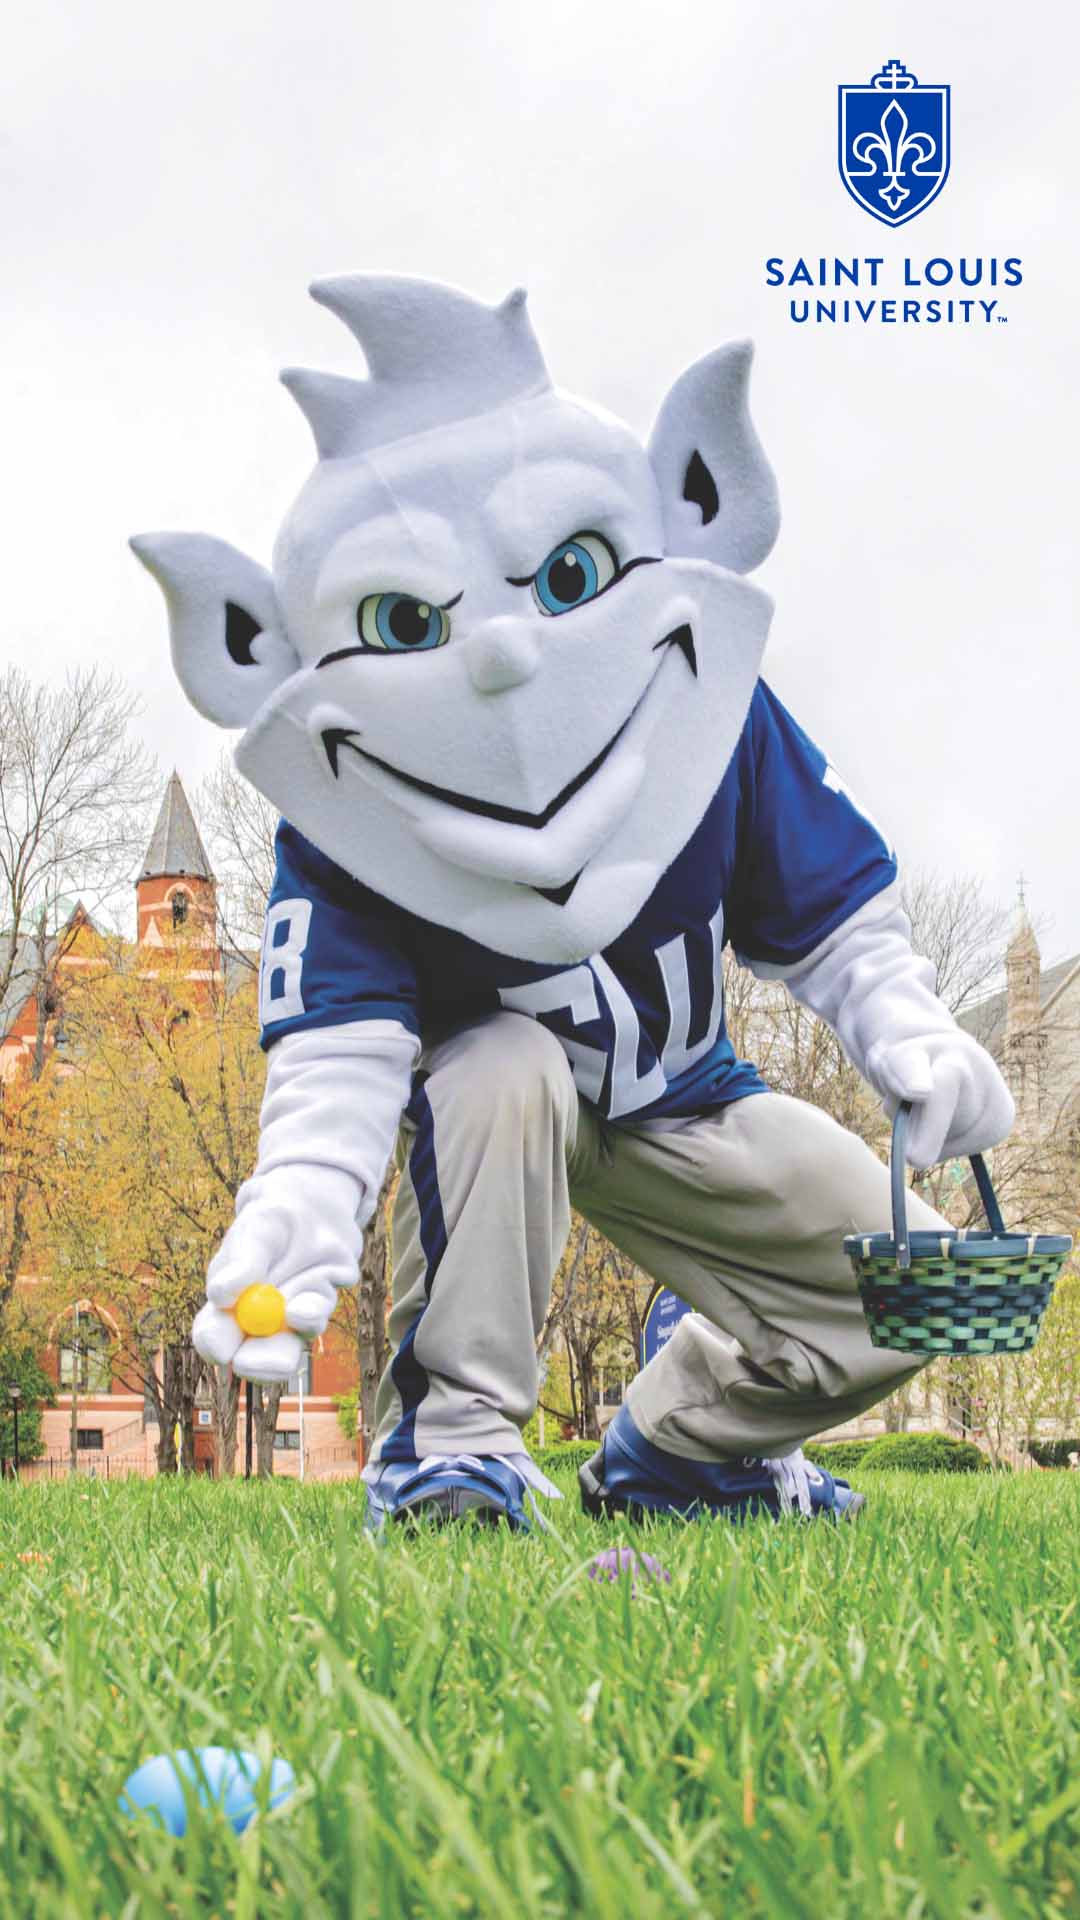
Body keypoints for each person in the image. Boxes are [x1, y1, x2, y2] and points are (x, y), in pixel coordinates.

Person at [133, 274, 1013, 1531]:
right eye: (409, 618)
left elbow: (829, 915)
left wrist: (908, 1027)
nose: (503, 653)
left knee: (932, 1290)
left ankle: (681, 1448)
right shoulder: (355, 790)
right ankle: (450, 1445)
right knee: (508, 1066)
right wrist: (302, 1204)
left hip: (684, 1098)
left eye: (564, 576)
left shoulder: (701, 700)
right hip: (494, 1113)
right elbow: (342, 1049)